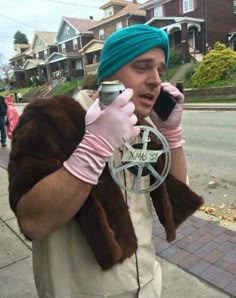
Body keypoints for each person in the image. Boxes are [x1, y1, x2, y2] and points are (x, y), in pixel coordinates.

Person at [8, 25, 203, 298]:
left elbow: (177, 199)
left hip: (146, 287)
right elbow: (33, 221)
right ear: (109, 73)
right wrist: (94, 148)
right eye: (142, 67)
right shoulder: (49, 119)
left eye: (160, 69)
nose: (156, 80)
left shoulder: (144, 131)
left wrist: (171, 136)